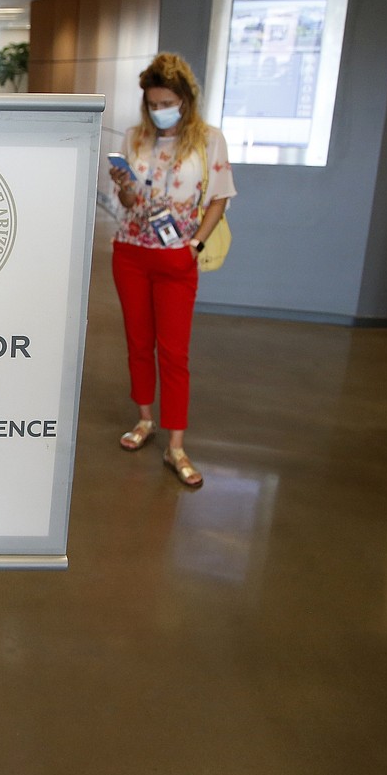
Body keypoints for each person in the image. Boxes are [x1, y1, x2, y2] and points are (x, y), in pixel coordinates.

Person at [107, 52, 236, 488]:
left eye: (168, 102)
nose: (160, 111)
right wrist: (124, 187)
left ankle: (176, 444)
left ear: (185, 99)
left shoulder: (208, 141)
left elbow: (219, 197)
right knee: (139, 343)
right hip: (130, 252)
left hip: (177, 259)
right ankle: (145, 419)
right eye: (153, 103)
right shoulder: (134, 138)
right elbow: (126, 204)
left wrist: (194, 245)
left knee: (175, 354)